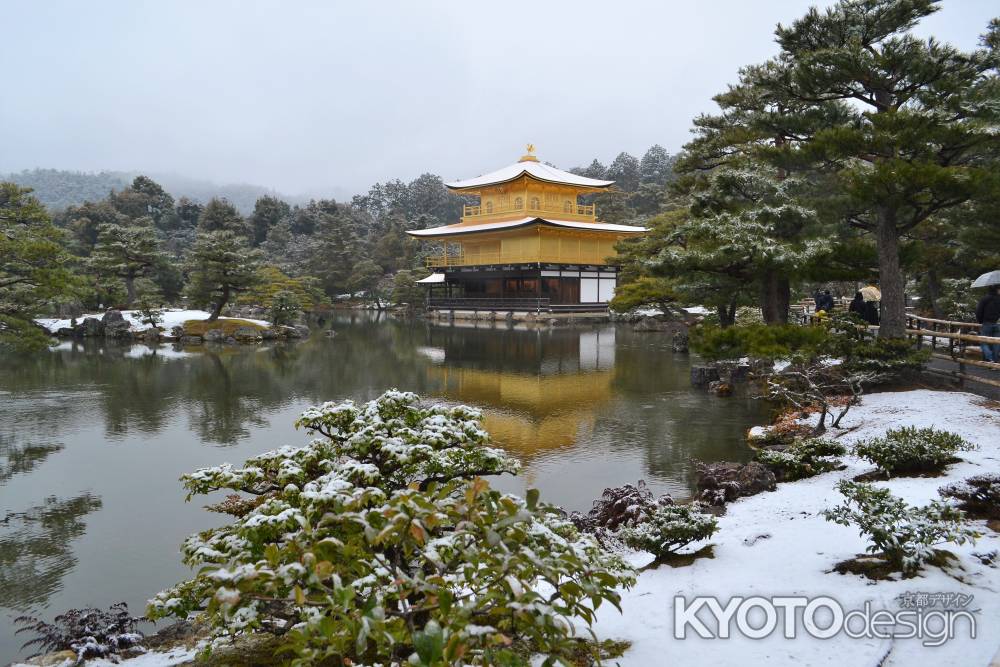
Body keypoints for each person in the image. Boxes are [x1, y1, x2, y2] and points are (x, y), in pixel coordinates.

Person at [975, 285, 1000, 363]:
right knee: (996, 343)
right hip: (998, 324)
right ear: (996, 290)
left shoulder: (984, 299)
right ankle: (995, 361)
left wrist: (980, 321)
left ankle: (990, 358)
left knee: (983, 342)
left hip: (987, 323)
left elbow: (979, 311)